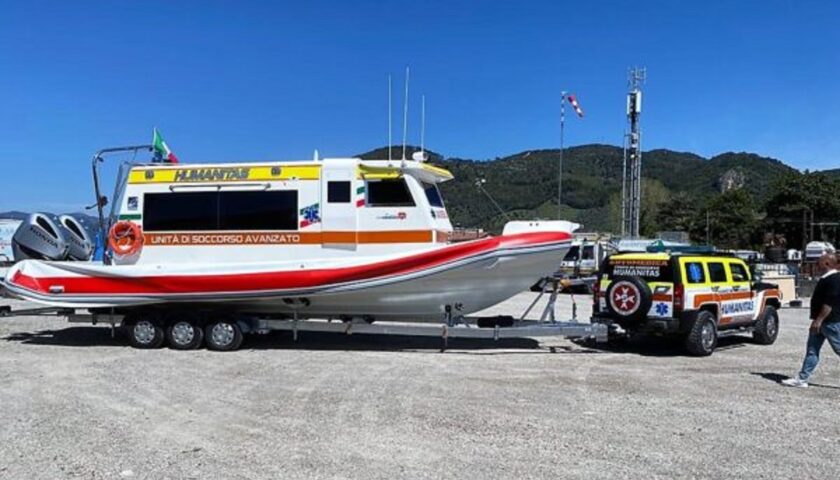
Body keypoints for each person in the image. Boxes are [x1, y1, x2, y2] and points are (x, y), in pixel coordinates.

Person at [782, 253, 840, 387]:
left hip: (829, 322)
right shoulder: (826, 278)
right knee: (812, 351)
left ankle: (802, 378)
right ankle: (802, 379)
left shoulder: (834, 279)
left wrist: (818, 320)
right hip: (820, 323)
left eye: (819, 262)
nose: (816, 265)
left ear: (827, 263)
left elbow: (828, 303)